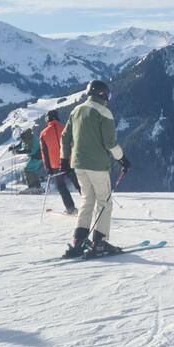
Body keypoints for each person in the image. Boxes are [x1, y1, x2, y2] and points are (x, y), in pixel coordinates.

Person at [59, 80, 131, 258]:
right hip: (97, 166)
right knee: (104, 202)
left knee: (87, 200)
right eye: (107, 95)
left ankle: (78, 241)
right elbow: (110, 143)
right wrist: (122, 159)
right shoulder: (104, 112)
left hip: (78, 165)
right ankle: (99, 243)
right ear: (102, 94)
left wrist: (64, 160)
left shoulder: (76, 110)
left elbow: (64, 137)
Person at [39, 109, 78, 214]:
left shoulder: (43, 133)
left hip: (55, 165)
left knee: (61, 186)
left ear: (47, 119)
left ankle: (70, 208)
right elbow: (74, 144)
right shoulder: (65, 129)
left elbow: (44, 153)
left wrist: (48, 168)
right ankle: (90, 205)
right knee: (79, 184)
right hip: (70, 161)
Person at [14, 129, 44, 193]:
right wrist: (13, 148)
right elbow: (21, 144)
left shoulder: (30, 139)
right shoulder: (27, 137)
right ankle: (38, 187)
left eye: (20, 137)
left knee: (27, 169)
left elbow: (31, 150)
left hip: (36, 157)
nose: (21, 139)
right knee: (32, 170)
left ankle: (32, 186)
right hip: (39, 157)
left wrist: (20, 152)